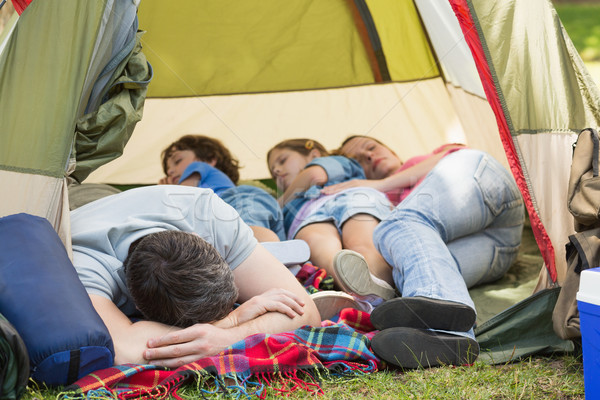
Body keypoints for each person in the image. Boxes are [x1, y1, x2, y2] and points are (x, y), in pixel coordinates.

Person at [323, 135, 525, 369]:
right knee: (410, 269)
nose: (370, 156)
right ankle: (450, 340)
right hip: (499, 249)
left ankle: (434, 312)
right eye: (361, 160)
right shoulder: (378, 201)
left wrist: (377, 185)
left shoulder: (420, 163)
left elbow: (453, 154)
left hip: (485, 180)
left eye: (371, 148)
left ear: (392, 150)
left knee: (396, 225)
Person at [71, 185, 321, 367]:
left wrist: (229, 337)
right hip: (78, 199)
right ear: (138, 307)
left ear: (205, 241)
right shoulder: (82, 260)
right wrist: (229, 323)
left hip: (135, 198)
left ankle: (262, 252)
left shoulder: (208, 215)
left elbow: (307, 312)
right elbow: (124, 350)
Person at [267, 139, 395, 307]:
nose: (277, 170)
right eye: (273, 172)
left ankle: (379, 286)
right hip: (308, 214)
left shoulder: (336, 161)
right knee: (322, 249)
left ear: (314, 154)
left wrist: (279, 203)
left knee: (361, 241)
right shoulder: (289, 208)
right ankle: (363, 294)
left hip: (350, 197)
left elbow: (314, 176)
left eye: (282, 160)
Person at [160, 135, 285, 243]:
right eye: (167, 170)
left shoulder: (197, 166)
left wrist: (163, 191)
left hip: (238, 199)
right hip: (252, 213)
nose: (170, 171)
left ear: (209, 159)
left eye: (177, 161)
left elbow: (181, 199)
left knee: (247, 235)